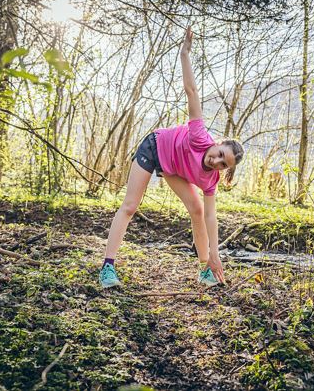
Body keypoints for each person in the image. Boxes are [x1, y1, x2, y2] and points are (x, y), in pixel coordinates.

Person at [99, 27, 244, 288]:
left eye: (223, 165)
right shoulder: (200, 136)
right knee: (131, 205)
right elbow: (191, 91)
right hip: (154, 148)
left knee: (198, 209)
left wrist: (215, 255)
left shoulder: (211, 179)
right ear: (218, 143)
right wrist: (184, 54)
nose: (216, 162)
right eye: (219, 154)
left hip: (172, 169)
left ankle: (204, 271)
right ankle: (107, 267)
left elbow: (211, 218)